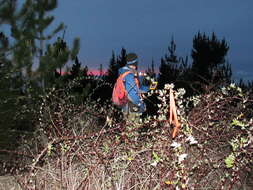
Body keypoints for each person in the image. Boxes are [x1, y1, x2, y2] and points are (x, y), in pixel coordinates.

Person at [116, 53, 149, 119]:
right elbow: (132, 95)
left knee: (129, 127)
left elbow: (136, 88)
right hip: (131, 108)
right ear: (135, 63)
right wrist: (142, 105)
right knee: (133, 127)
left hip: (127, 106)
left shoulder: (128, 73)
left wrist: (148, 88)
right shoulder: (129, 75)